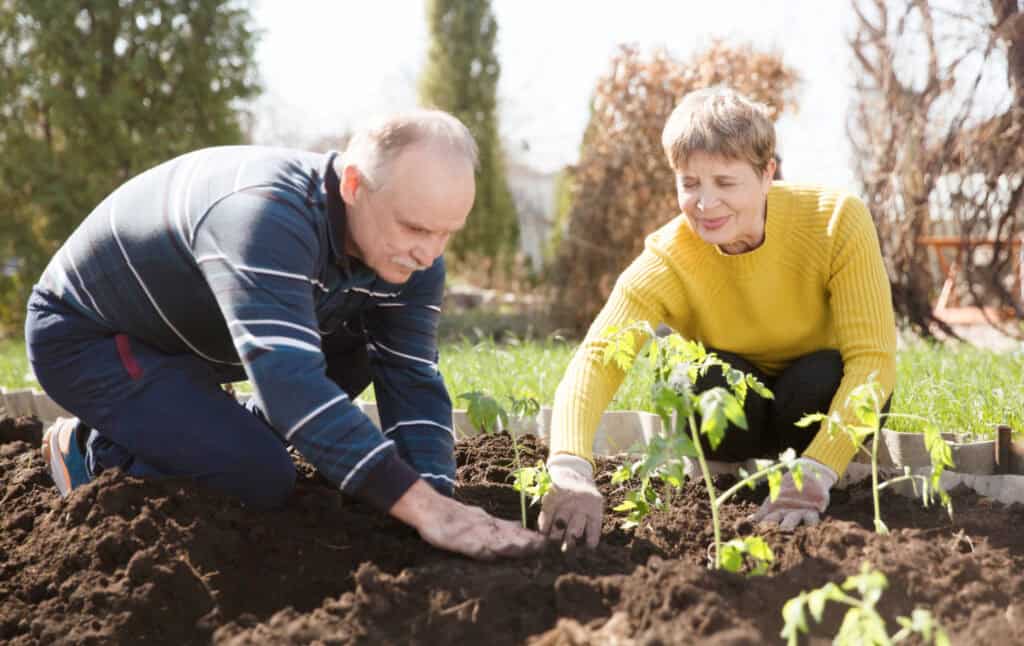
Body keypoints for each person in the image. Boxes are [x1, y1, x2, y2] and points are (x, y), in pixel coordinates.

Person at [25, 109, 544, 561]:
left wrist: (437, 499)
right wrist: (421, 508)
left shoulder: (409, 259)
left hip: (194, 334)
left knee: (366, 343)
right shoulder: (265, 217)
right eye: (415, 228)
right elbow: (288, 383)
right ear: (355, 185)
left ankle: (211, 427)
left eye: (446, 233)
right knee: (260, 476)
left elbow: (410, 372)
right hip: (91, 337)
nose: (429, 254)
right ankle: (92, 450)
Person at [539, 87, 897, 548]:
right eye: (690, 184)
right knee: (692, 377)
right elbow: (597, 360)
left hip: (811, 407)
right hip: (732, 416)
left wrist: (817, 468)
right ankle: (737, 472)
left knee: (819, 375)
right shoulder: (668, 257)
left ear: (767, 174)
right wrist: (570, 468)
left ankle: (810, 473)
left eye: (725, 183)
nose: (705, 204)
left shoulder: (835, 220)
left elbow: (873, 362)